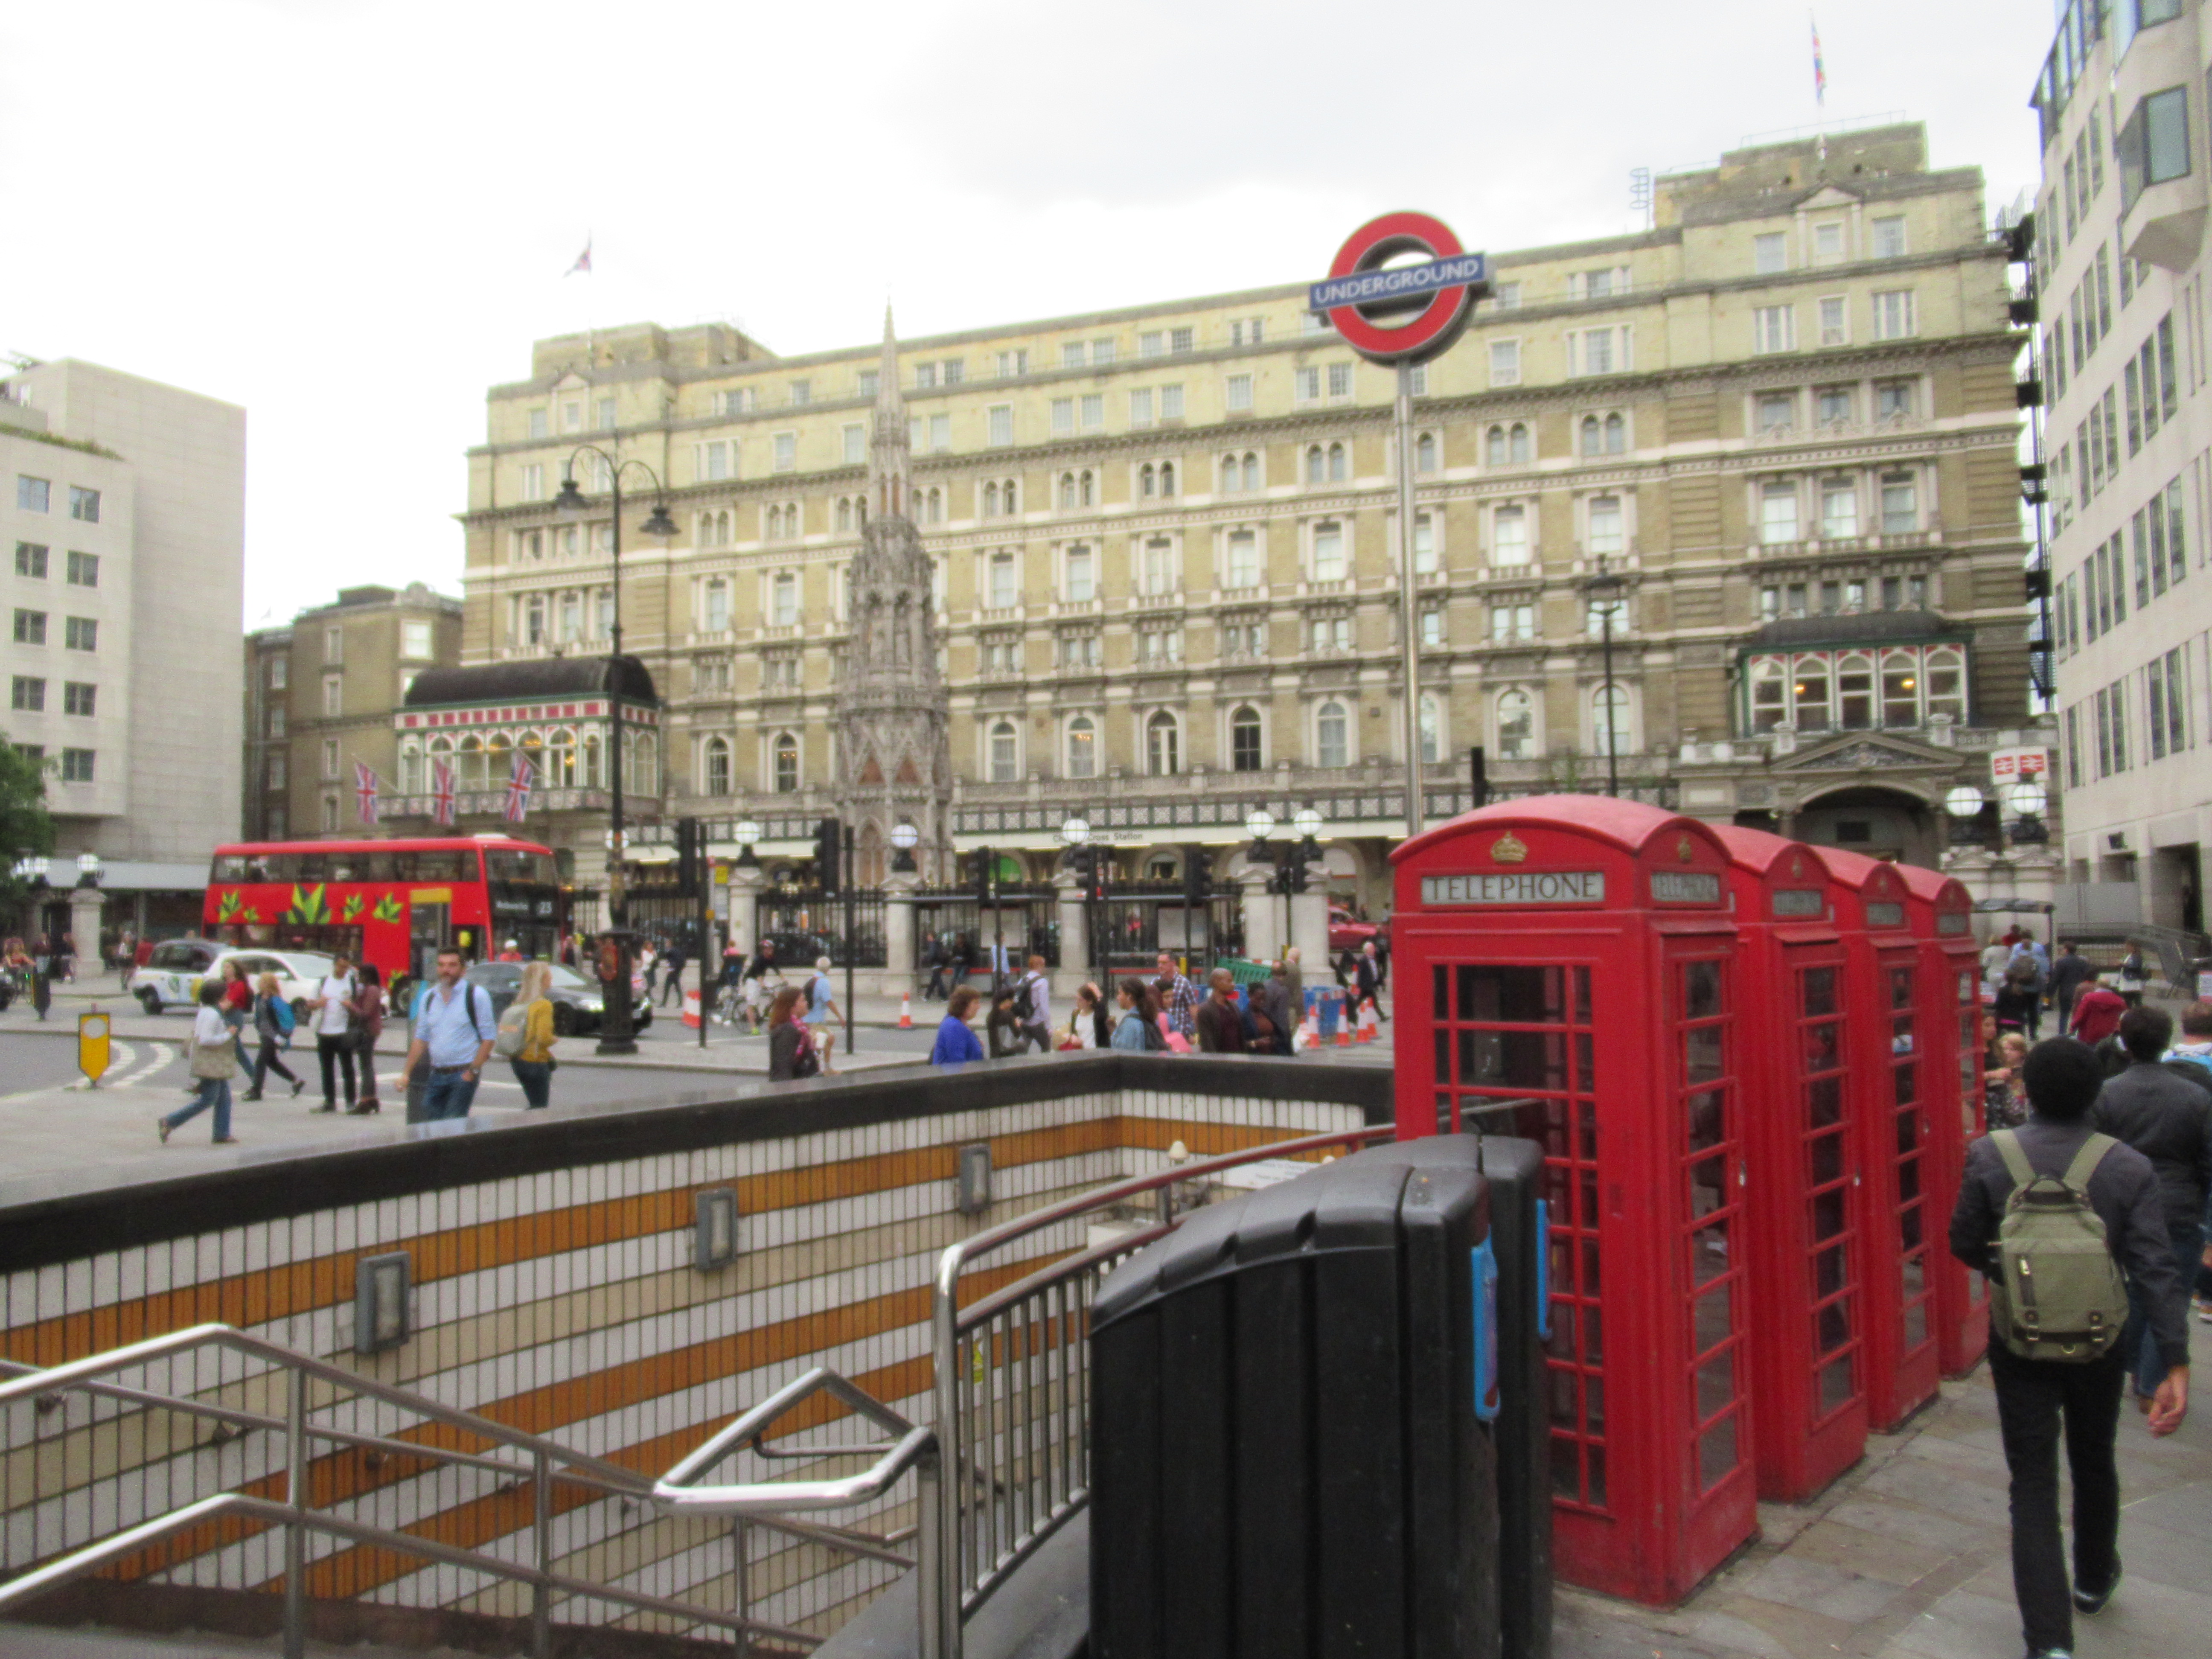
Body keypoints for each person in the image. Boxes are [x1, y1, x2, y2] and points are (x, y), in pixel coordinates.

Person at [1948, 1037, 2188, 1659]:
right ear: (2094, 1096)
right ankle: (2092, 1578)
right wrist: (2174, 1359)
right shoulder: (2128, 1166)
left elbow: (1964, 1241)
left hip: (2019, 1342)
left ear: (2028, 1090)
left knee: (2032, 1483)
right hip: (2100, 1342)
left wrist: (2015, 1278)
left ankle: (2049, 1641)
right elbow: (2155, 1268)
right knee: (2094, 1457)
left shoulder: (1990, 1154)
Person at [2091, 1007, 2212, 1408]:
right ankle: (2151, 1382)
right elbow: (2208, 1163)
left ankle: (2132, 1367)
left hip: (2119, 1204)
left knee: (2133, 1288)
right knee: (2169, 1292)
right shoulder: (2197, 1096)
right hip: (2178, 1207)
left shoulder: (2106, 1092)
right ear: (2166, 1041)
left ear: (2125, 1042)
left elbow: (2092, 1154)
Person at [395, 946, 496, 1121]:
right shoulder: (429, 997)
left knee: (452, 1124)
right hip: (437, 1074)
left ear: (463, 970)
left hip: (462, 1073)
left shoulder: (476, 995)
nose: (446, 970)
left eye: (452, 965)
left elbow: (489, 1038)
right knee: (431, 1122)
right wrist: (406, 1073)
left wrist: (472, 1071)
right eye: (441, 965)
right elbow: (421, 1039)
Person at [159, 981, 240, 1145]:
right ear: (218, 995)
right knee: (209, 1099)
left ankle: (222, 1133)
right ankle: (170, 1121)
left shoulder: (207, 1011)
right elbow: (205, 1040)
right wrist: (228, 1034)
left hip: (213, 1062)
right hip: (211, 1062)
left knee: (224, 1098)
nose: (227, 995)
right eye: (225, 992)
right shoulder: (213, 1014)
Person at [502, 961, 559, 1108]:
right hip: (535, 1060)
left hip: (518, 1060)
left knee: (534, 1104)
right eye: (550, 976)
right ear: (543, 979)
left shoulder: (519, 1003)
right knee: (540, 1108)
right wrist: (554, 1039)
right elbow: (543, 1038)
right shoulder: (543, 1005)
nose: (551, 979)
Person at [309, 955, 361, 1113]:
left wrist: (351, 1006)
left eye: (346, 967)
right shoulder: (323, 982)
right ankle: (329, 1101)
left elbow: (359, 1005)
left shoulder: (352, 983)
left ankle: (351, 1102)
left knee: (348, 1068)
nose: (343, 970)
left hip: (343, 1031)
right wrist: (318, 1004)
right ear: (334, 965)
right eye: (341, 966)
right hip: (324, 1031)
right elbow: (309, 1004)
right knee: (327, 1069)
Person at [242, 972, 305, 1101]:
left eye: (262, 981)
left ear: (268, 984)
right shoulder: (259, 998)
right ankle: (296, 1081)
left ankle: (257, 1091)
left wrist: (283, 1036)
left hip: (273, 1036)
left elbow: (288, 1019)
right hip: (264, 1034)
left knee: (261, 1062)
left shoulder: (275, 1000)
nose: (259, 983)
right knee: (272, 1062)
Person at [347, 964, 385, 1115]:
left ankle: (365, 1100)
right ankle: (371, 1098)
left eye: (361, 975)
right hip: (369, 1030)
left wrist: (351, 1007)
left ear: (367, 976)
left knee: (366, 1066)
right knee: (366, 1064)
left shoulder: (372, 990)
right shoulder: (369, 989)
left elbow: (366, 1014)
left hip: (368, 1031)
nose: (359, 978)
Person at [766, 985, 818, 1081]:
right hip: (791, 1086)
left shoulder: (800, 1028)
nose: (807, 1003)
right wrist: (787, 1089)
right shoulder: (787, 1030)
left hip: (801, 1083)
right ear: (792, 1006)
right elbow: (783, 1065)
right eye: (803, 1000)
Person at [804, 956, 844, 1072]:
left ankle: (820, 1066)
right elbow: (829, 1001)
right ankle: (820, 1068)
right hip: (816, 1020)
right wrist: (840, 1017)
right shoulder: (824, 982)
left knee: (826, 1040)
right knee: (825, 1040)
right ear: (828, 968)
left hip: (808, 1019)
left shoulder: (812, 979)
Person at [1983, 1031, 2030, 1129]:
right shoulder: (1998, 1070)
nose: (2007, 1052)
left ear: (2022, 1052)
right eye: (2004, 1049)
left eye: (2012, 1050)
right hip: (2001, 1115)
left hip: (2019, 1115)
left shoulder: (2025, 1071)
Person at [930, 985, 987, 1066]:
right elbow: (958, 1063)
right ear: (963, 1005)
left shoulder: (956, 1022)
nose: (979, 1007)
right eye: (976, 1003)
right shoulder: (954, 1027)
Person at [1195, 968, 1248, 1054]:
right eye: (1229, 981)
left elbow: (1240, 1037)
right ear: (1217, 982)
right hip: (1220, 1060)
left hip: (1238, 1059)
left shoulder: (1234, 1007)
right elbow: (1207, 1043)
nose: (1233, 985)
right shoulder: (1206, 1010)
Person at [1153, 951, 1200, 1043]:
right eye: (1159, 963)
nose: (1160, 966)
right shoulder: (1154, 983)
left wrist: (1199, 1032)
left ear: (1173, 963)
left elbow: (1193, 1008)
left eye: (1164, 963)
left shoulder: (1184, 983)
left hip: (1181, 1034)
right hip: (1160, 1035)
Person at [2069, 972, 2128, 1047]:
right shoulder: (2120, 1001)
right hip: (2110, 1035)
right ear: (2109, 987)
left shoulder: (2089, 998)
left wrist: (2073, 1027)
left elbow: (2081, 1015)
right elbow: (2124, 1017)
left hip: (2089, 1034)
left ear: (2097, 985)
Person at [2049, 942, 2095, 1031]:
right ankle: (2075, 1031)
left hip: (2065, 992)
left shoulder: (2061, 962)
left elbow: (2056, 979)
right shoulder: (2083, 962)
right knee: (2079, 1012)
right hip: (2080, 991)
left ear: (2066, 950)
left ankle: (2062, 1033)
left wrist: (2050, 993)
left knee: (2064, 1014)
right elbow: (2089, 976)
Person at [1994, 960, 2042, 1040]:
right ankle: (2033, 1035)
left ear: (2005, 978)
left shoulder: (2003, 990)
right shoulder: (2021, 992)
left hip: (2003, 1021)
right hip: (2018, 1021)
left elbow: (1998, 1005)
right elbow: (2025, 1008)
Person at [1111, 980, 1164, 1051]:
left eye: (1120, 994)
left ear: (1129, 996)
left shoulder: (1130, 1023)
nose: (1118, 998)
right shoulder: (1146, 1016)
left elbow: (1124, 1052)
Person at [1015, 954, 1053, 1053]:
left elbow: (1017, 1000)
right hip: (1038, 1022)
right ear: (1039, 966)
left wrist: (1019, 1018)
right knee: (1047, 1050)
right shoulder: (1042, 982)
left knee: (1022, 1051)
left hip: (1025, 1021)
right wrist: (1048, 1026)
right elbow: (1044, 1005)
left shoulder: (1022, 980)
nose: (1044, 968)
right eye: (1043, 965)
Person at [1065, 982, 1111, 1049]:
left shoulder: (1098, 1015)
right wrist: (1072, 1037)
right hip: (1081, 1052)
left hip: (1096, 1052)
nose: (1077, 1003)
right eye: (1077, 999)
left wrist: (1097, 993)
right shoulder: (1075, 1014)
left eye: (1080, 1000)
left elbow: (1103, 1009)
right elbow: (1073, 1033)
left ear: (1090, 1001)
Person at [985, 987, 1026, 1057]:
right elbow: (1016, 1035)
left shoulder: (991, 1015)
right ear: (1007, 1001)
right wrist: (1018, 1025)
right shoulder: (1008, 1015)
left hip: (995, 1054)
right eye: (1012, 1000)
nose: (1013, 1003)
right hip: (1007, 1056)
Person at [1355, 942, 1386, 1022]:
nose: (1374, 950)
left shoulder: (1374, 959)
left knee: (1360, 1001)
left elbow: (1376, 971)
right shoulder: (1363, 960)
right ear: (1367, 950)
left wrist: (1381, 981)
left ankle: (1350, 1012)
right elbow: (1360, 973)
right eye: (1372, 949)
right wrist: (1359, 985)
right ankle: (1382, 1017)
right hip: (1366, 985)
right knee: (1373, 1001)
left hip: (1371, 984)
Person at [2116, 940, 2149, 1007]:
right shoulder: (2129, 956)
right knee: (2129, 1000)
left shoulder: (2136, 956)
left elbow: (2135, 966)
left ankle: (2135, 1010)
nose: (2126, 948)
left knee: (2132, 1000)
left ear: (2133, 947)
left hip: (2132, 982)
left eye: (2128, 946)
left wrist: (2122, 964)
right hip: (2126, 981)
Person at [661, 937, 688, 1007]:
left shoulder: (672, 951)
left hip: (673, 971)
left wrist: (672, 968)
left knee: (667, 987)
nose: (666, 945)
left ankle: (664, 1003)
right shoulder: (676, 950)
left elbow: (672, 961)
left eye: (667, 943)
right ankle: (680, 1003)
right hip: (677, 971)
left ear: (670, 944)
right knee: (677, 987)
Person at [923, 933, 949, 1001]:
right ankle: (927, 997)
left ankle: (945, 997)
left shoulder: (933, 944)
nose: (928, 938)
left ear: (932, 937)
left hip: (935, 964)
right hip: (939, 964)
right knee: (934, 981)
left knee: (938, 982)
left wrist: (927, 960)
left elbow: (932, 955)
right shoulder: (938, 944)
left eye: (929, 936)